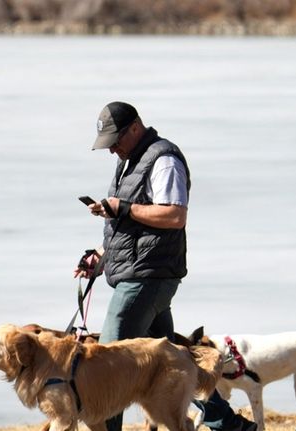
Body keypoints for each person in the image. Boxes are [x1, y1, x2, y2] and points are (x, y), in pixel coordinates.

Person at [74, 101, 257, 431]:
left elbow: (175, 215)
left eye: (115, 140)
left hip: (148, 277)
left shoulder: (164, 159)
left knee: (112, 362)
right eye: (107, 144)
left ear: (135, 127)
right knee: (175, 361)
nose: (112, 149)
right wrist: (99, 258)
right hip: (140, 273)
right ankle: (228, 424)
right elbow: (125, 223)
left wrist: (124, 209)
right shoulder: (129, 161)